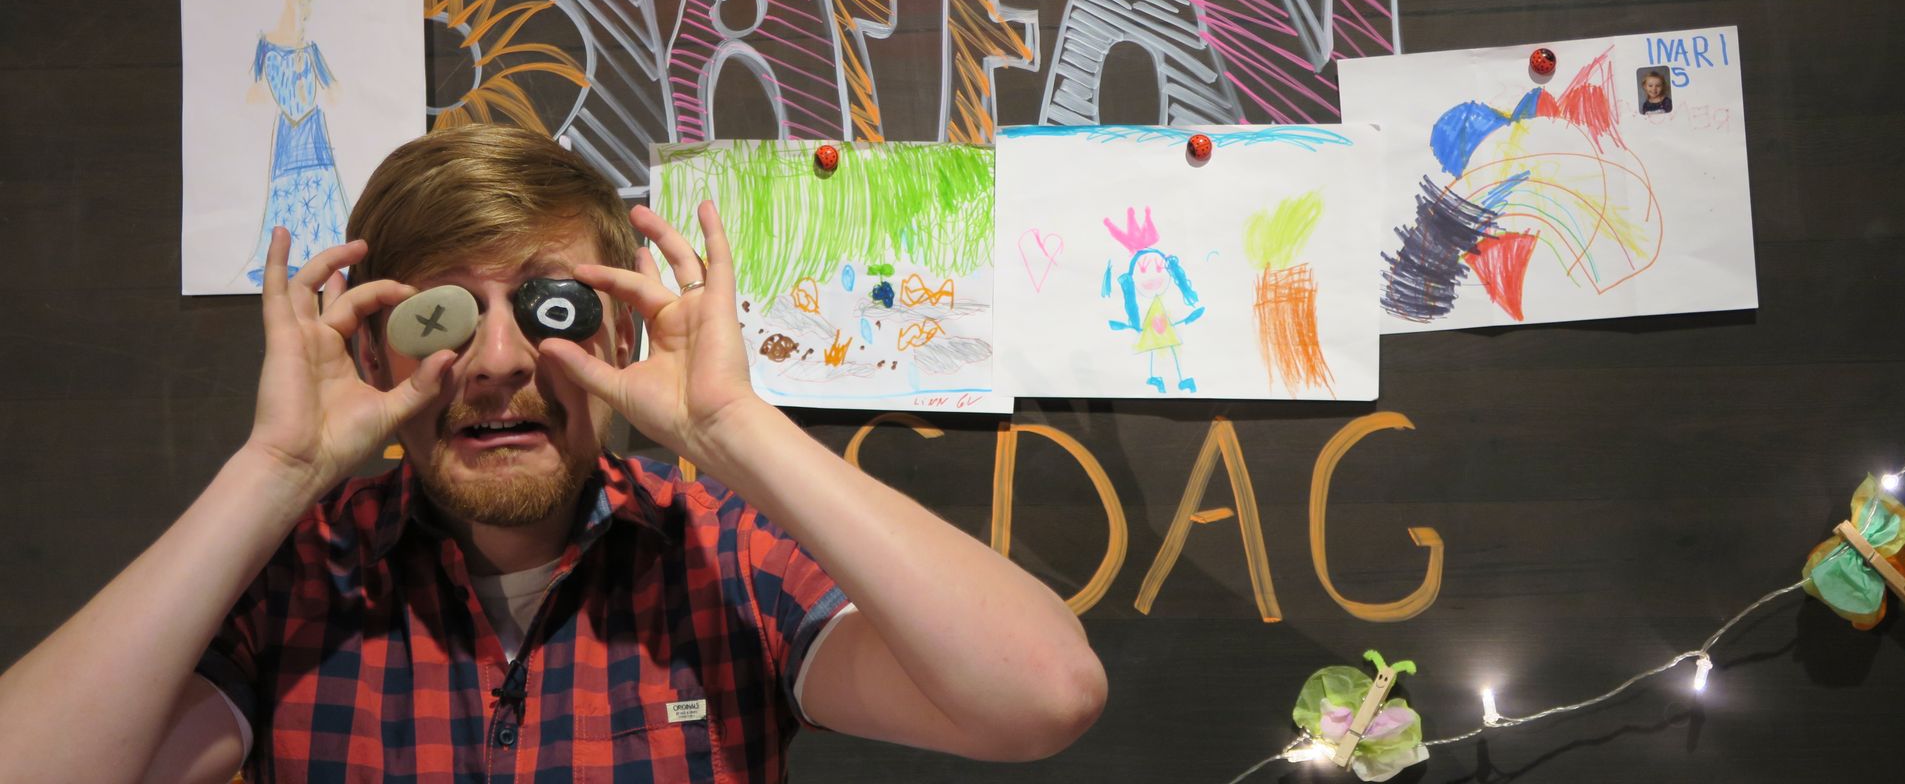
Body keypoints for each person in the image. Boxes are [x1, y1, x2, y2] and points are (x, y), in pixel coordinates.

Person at [0, 125, 1107, 781]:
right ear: (375, 352)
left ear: (619, 337)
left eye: (550, 309)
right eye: (440, 313)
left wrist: (734, 425)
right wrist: (274, 472)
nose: (495, 361)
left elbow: (1042, 698)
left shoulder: (722, 559)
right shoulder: (297, 578)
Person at [244, 0, 349, 287]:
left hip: (311, 128)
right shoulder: (265, 45)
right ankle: (288, 259)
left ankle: (324, 258)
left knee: (320, 192)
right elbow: (254, 94)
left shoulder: (311, 46)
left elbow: (334, 90)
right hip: (288, 130)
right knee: (285, 193)